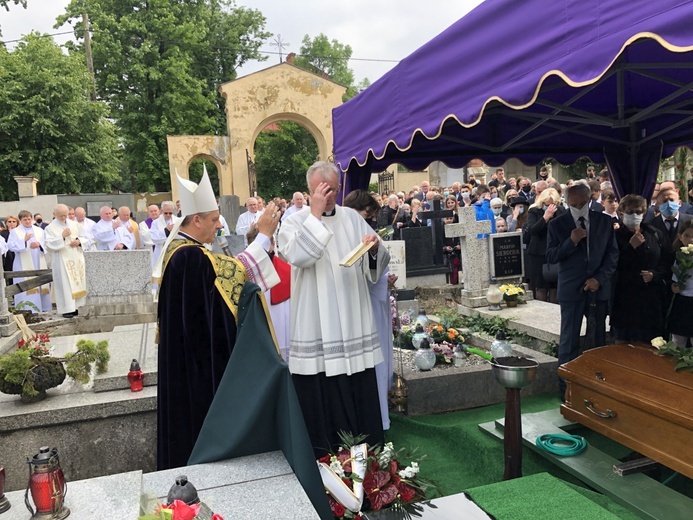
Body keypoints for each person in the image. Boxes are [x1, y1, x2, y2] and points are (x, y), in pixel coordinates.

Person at [155, 170, 280, 470]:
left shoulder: (183, 251)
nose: (219, 225)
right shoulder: (190, 257)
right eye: (213, 219)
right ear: (196, 220)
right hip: (196, 369)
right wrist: (262, 236)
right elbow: (234, 274)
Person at [279, 161, 389, 455]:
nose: (328, 197)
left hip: (352, 312)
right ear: (310, 190)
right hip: (316, 317)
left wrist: (374, 248)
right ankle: (323, 454)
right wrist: (314, 214)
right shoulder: (294, 222)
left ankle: (368, 451)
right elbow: (300, 256)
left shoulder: (352, 219)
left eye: (333, 191)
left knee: (357, 383)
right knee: (322, 387)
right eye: (321, 191)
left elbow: (378, 257)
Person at [546, 182, 619, 396]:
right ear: (566, 203)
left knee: (597, 339)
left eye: (582, 203)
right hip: (571, 289)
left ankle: (596, 386)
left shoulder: (604, 222)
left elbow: (612, 255)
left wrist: (600, 279)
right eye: (573, 204)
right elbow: (551, 256)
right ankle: (566, 388)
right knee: (569, 339)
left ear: (590, 201)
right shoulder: (557, 224)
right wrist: (571, 241)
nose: (578, 207)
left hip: (597, 288)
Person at [343, 190, 394, 430]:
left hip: (370, 302)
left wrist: (383, 274)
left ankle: (379, 416)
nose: (370, 220)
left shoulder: (363, 229)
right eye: (368, 213)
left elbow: (376, 265)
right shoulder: (348, 226)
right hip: (363, 307)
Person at [610, 195, 667, 343]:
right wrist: (630, 248)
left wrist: (654, 275)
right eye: (629, 212)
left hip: (650, 300)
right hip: (625, 299)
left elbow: (665, 262)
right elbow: (612, 265)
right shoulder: (614, 236)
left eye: (638, 211)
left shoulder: (654, 233)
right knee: (624, 345)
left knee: (651, 345)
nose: (634, 215)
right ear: (621, 213)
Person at [44, 204, 87, 318]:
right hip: (61, 260)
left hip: (76, 257)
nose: (64, 217)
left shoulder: (74, 224)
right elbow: (48, 244)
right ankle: (67, 309)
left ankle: (77, 306)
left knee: (77, 281)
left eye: (65, 215)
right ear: (54, 214)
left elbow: (86, 237)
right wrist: (62, 237)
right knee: (65, 283)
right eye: (61, 215)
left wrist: (79, 241)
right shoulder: (50, 228)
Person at [7, 210, 51, 313]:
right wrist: (24, 241)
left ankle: (44, 308)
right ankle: (27, 309)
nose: (27, 221)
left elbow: (47, 243)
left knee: (41, 284)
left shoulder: (39, 230)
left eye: (29, 219)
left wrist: (39, 245)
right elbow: (10, 246)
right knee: (25, 285)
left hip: (39, 262)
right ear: (20, 220)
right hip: (22, 264)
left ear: (32, 219)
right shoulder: (15, 231)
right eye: (25, 219)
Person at [526, 188, 565, 303]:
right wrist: (545, 217)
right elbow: (532, 230)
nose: (549, 207)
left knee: (554, 286)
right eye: (546, 204)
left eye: (552, 205)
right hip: (538, 253)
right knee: (540, 286)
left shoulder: (561, 211)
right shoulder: (533, 211)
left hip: (554, 251)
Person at [669, 220, 693, 347]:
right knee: (678, 340)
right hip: (682, 302)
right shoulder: (677, 255)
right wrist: (674, 286)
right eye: (687, 236)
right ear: (680, 237)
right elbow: (672, 278)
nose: (691, 240)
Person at [1, 215, 18, 283]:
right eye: (9, 221)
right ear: (6, 223)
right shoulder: (3, 233)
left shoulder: (19, 232)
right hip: (8, 257)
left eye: (14, 221)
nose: (11, 223)